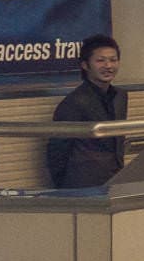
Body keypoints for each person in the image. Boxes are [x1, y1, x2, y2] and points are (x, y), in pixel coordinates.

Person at [48, 34, 126, 188]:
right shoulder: (74, 102)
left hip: (114, 179)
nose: (108, 66)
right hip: (82, 185)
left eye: (113, 60)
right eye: (100, 60)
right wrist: (65, 189)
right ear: (85, 65)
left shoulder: (120, 97)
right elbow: (58, 151)